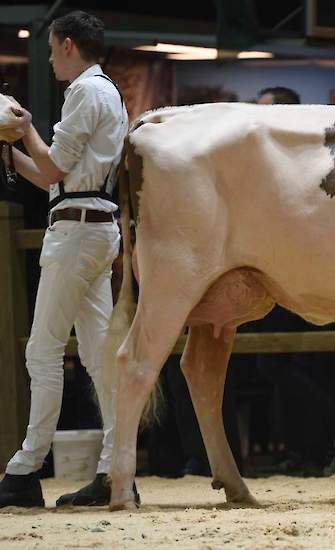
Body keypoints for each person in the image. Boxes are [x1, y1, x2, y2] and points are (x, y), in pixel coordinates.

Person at [0, 11, 136, 507]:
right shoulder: (108, 92)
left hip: (77, 233)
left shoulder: (84, 92)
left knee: (43, 351)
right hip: (93, 225)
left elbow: (53, 164)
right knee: (101, 358)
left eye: (55, 48)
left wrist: (24, 128)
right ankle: (115, 470)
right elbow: (51, 178)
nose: (53, 58)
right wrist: (10, 149)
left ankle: (24, 469)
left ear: (69, 45)